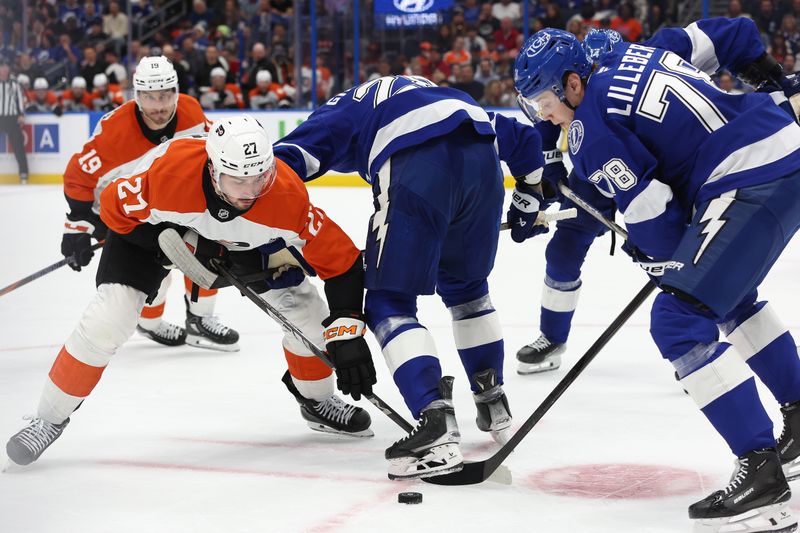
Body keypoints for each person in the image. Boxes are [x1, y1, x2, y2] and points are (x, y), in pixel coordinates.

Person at [514, 26, 800, 531]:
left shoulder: (588, 130)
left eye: (543, 101)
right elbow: (729, 32)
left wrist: (655, 257)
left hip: (746, 176)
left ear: (572, 83)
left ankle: (761, 477)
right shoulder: (638, 52)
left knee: (677, 320)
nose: (544, 115)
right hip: (779, 144)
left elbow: (655, 220)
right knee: (730, 300)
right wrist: (768, 75)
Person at [5, 114, 374, 468]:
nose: (249, 193)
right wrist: (174, 239)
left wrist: (347, 327)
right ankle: (49, 418)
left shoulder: (286, 196)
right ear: (213, 170)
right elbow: (114, 212)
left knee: (307, 312)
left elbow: (340, 262)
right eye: (237, 181)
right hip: (153, 234)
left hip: (238, 244)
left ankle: (317, 401)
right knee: (109, 317)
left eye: (259, 178)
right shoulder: (169, 174)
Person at [273, 74, 546, 479]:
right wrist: (530, 194)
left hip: (415, 164)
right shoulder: (442, 95)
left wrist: (262, 236)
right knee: (468, 291)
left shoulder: (343, 110)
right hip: (481, 160)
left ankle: (435, 420)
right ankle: (492, 398)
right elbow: (523, 139)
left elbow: (275, 168)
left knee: (389, 301)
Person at [516, 20, 800, 375]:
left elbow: (652, 213)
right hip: (613, 156)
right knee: (567, 247)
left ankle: (697, 344)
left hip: (668, 164)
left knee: (686, 270)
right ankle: (553, 336)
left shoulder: (637, 58)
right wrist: (549, 159)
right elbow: (547, 105)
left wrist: (775, 78)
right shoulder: (585, 84)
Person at [60, 55, 239, 351]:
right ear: (136, 96)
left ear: (176, 92)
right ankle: (150, 322)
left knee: (206, 247)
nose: (159, 106)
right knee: (157, 270)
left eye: (166, 95)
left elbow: (212, 155)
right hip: (124, 210)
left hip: (166, 199)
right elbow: (77, 176)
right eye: (149, 97)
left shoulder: (191, 111)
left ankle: (199, 321)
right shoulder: (113, 132)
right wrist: (78, 226)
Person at [0, 59, 29, 184]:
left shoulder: (14, 83)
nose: (4, 69)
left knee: (18, 147)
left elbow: (19, 99)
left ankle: (24, 173)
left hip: (12, 118)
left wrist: (21, 114)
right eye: (2, 67)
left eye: (6, 66)